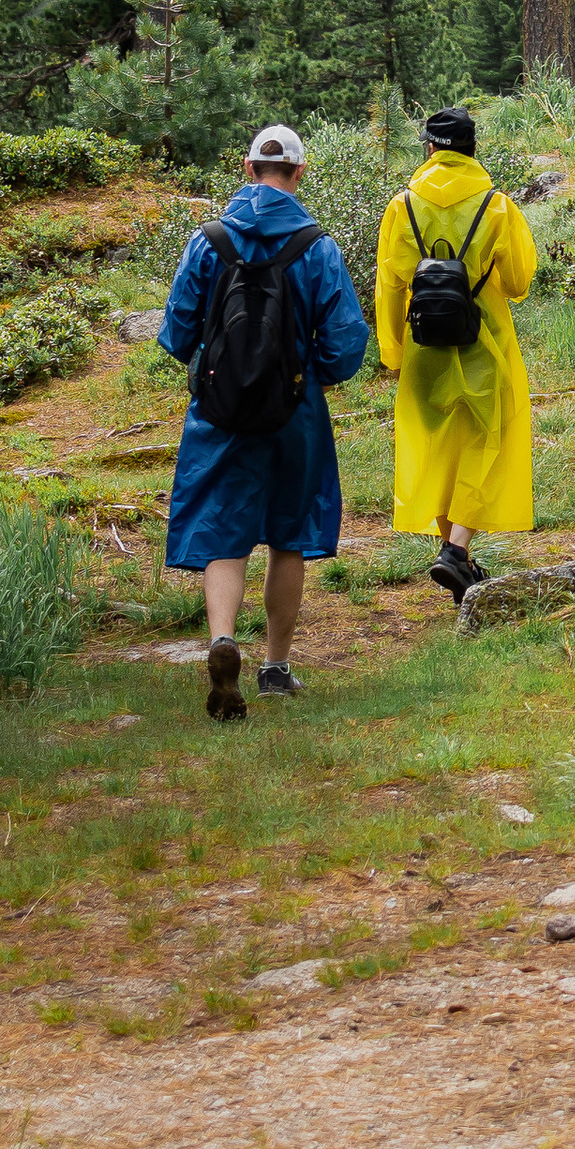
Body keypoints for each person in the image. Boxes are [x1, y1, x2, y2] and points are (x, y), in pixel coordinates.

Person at [159, 123, 370, 718]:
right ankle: (275, 668)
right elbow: (348, 342)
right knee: (288, 534)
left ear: (248, 168)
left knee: (224, 529)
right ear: (298, 174)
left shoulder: (208, 240)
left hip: (219, 412)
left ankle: (223, 641)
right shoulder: (316, 245)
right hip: (293, 410)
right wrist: (314, 372)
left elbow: (176, 333)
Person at [372, 106, 539, 604]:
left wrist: (393, 353)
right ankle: (456, 548)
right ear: (471, 149)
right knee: (489, 443)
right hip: (485, 345)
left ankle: (455, 553)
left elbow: (389, 284)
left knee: (438, 448)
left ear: (430, 148)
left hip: (423, 347)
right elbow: (517, 282)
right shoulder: (497, 205)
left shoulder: (401, 206)